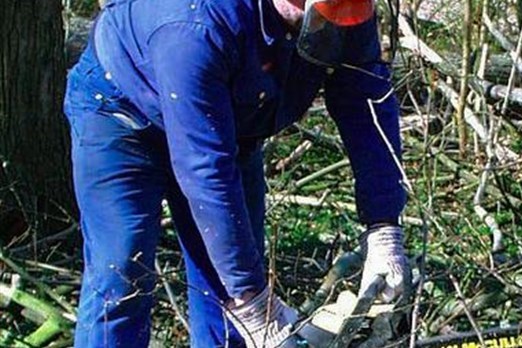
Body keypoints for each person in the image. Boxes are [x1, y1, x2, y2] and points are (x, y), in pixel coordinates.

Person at [64, 0, 409, 347]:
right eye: (321, 16)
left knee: (229, 285)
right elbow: (205, 170)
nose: (329, 26)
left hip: (231, 123)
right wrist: (254, 301)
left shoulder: (342, 8)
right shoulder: (197, 23)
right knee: (123, 268)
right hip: (123, 116)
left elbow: (366, 99)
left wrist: (384, 226)